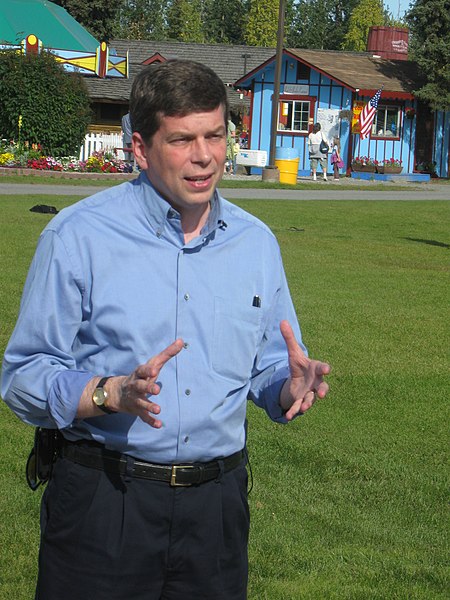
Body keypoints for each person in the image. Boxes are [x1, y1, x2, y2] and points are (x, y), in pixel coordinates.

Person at [1, 60, 330, 600]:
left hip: (217, 511)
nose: (204, 156)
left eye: (215, 135)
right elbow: (23, 377)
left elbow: (268, 366)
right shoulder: (77, 238)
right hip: (105, 502)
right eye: (181, 140)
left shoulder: (256, 244)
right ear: (139, 148)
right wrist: (109, 393)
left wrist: (288, 386)